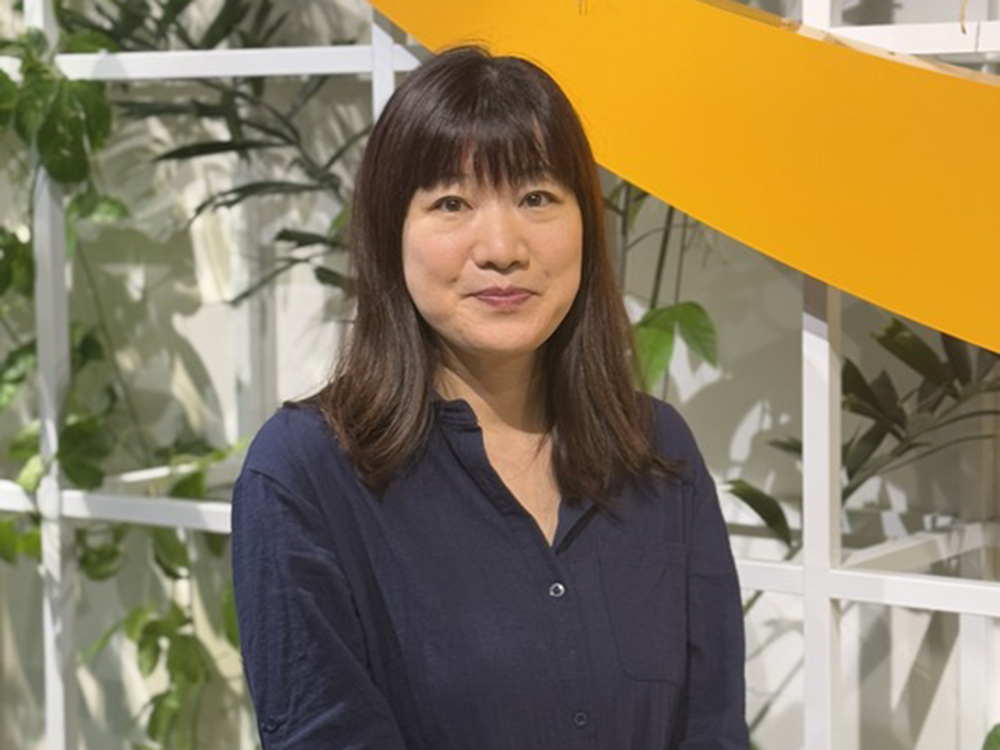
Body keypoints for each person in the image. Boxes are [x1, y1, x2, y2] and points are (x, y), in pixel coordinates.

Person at [231, 44, 749, 749]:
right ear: (392, 236)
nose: (502, 246)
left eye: (537, 197)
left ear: (586, 227)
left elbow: (713, 731)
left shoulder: (659, 452)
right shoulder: (305, 474)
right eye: (451, 202)